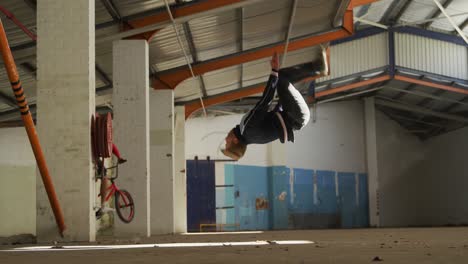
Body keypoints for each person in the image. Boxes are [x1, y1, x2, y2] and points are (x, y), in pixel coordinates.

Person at [221, 51, 326, 160]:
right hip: (296, 115)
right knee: (281, 77)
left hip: (295, 116)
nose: (225, 140)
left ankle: (317, 68)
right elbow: (265, 102)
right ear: (235, 140)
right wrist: (274, 71)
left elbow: (276, 117)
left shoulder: (251, 136)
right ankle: (319, 67)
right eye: (227, 143)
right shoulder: (247, 129)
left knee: (282, 78)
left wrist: (282, 96)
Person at [96, 143, 127, 219]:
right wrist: (119, 157)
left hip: (95, 156)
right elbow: (111, 145)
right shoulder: (105, 136)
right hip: (95, 157)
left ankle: (100, 210)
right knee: (104, 175)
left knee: (103, 173)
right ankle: (103, 207)